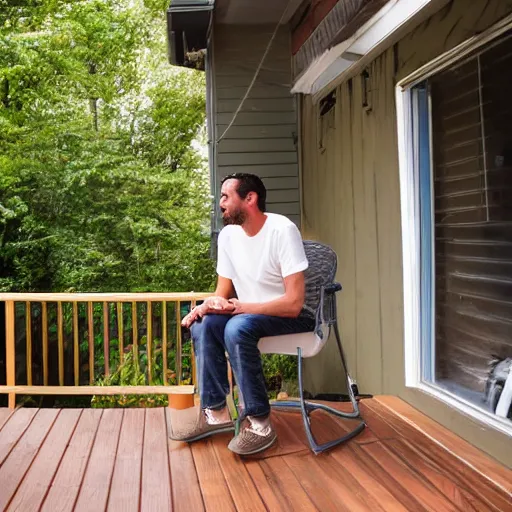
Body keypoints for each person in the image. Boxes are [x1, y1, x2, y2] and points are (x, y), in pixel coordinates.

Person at [170, 173, 315, 456]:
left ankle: (260, 423)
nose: (220, 203)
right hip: (249, 316)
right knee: (205, 325)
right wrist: (205, 307)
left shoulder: (282, 230)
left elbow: (294, 303)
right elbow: (222, 292)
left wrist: (244, 308)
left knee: (237, 327)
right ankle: (216, 414)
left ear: (250, 199)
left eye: (226, 196)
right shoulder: (228, 236)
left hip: (291, 316)